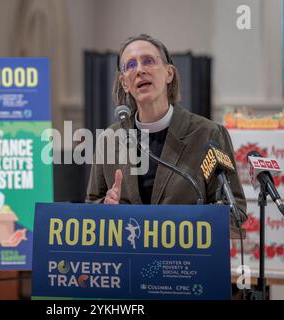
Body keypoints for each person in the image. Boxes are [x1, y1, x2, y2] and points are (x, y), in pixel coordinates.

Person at [86, 34, 247, 224]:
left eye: (148, 61)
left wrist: (192, 222)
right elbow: (91, 206)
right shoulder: (109, 139)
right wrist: (105, 206)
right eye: (130, 65)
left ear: (169, 73)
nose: (139, 70)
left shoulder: (208, 135)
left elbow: (235, 210)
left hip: (186, 252)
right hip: (129, 250)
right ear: (124, 83)